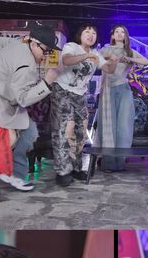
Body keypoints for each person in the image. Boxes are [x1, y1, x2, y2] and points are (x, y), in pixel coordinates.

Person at [0, 22, 58, 198]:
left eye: (49, 52)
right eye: (45, 51)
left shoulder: (20, 41)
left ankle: (15, 175)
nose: (45, 56)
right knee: (3, 142)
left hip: (2, 99)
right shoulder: (26, 66)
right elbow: (23, 99)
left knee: (29, 131)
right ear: (33, 43)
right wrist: (47, 83)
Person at [49, 23, 117, 188]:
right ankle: (62, 172)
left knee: (81, 132)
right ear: (80, 34)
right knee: (65, 130)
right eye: (87, 32)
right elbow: (66, 60)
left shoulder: (95, 54)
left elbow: (109, 70)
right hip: (62, 90)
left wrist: (114, 61)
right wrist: (86, 56)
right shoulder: (71, 46)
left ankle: (76, 168)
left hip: (80, 95)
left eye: (94, 33)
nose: (91, 35)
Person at [96, 25, 148, 171]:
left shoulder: (129, 51)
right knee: (108, 125)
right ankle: (108, 162)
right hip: (108, 89)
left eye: (123, 32)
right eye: (117, 32)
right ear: (112, 35)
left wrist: (129, 58)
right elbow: (96, 58)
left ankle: (120, 161)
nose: (120, 34)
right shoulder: (106, 49)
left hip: (124, 89)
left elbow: (146, 61)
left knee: (123, 126)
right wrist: (108, 57)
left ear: (126, 36)